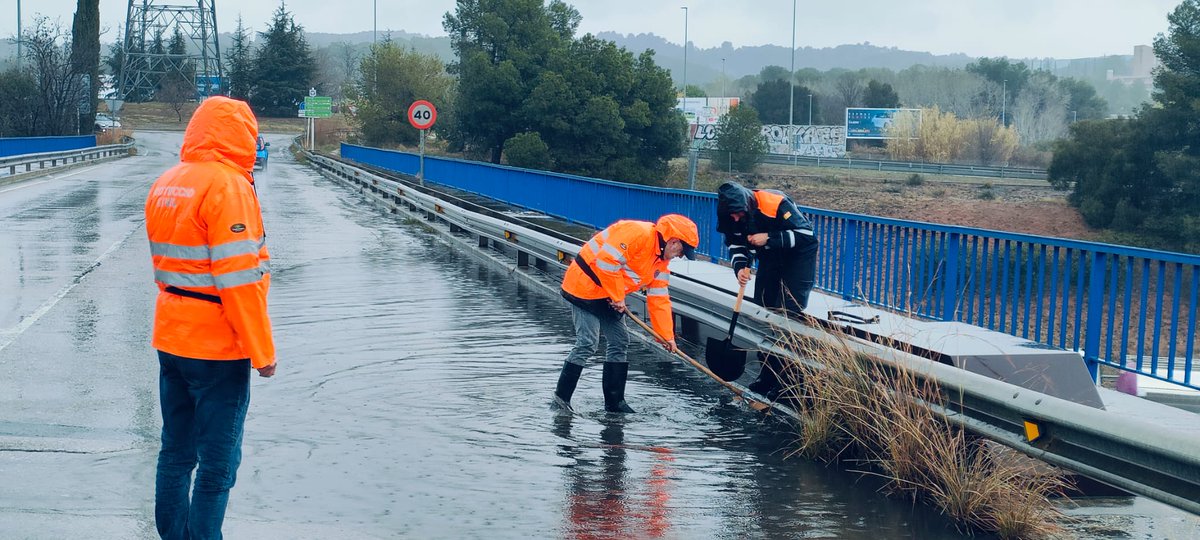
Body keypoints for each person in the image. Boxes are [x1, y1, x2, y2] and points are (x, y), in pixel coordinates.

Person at [144, 96, 277, 539]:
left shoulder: (169, 181)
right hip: (216, 347)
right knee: (218, 465)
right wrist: (262, 352)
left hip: (171, 337)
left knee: (176, 454)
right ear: (238, 135)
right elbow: (239, 281)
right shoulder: (229, 186)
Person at [553, 214, 700, 413]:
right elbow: (606, 261)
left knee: (620, 341)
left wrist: (666, 336)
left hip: (609, 295)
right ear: (673, 241)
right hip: (584, 286)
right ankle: (561, 401)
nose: (680, 256)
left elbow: (659, 298)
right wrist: (617, 296)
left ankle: (615, 403)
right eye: (682, 251)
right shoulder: (638, 233)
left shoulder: (661, 262)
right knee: (588, 343)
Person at [716, 181, 818, 399]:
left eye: (738, 214)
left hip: (797, 257)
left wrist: (769, 238)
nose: (735, 219)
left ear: (748, 205)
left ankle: (790, 382)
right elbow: (736, 245)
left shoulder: (776, 204)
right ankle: (767, 377)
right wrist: (740, 267)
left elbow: (806, 235)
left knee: (789, 314)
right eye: (731, 215)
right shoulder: (730, 216)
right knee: (764, 307)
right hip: (770, 256)